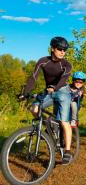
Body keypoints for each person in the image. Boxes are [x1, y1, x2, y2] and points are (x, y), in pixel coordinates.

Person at [19, 36, 74, 165]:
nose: (62, 52)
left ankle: (67, 151)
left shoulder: (67, 64)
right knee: (34, 108)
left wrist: (55, 88)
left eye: (65, 50)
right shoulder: (43, 61)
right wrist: (25, 93)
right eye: (60, 49)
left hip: (63, 91)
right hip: (48, 90)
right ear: (52, 49)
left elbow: (64, 79)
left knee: (64, 121)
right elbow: (33, 77)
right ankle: (47, 127)